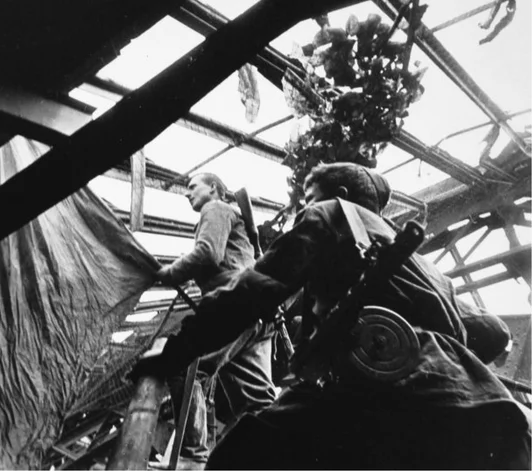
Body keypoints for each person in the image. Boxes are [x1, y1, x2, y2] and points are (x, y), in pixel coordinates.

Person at [134, 162, 531, 469]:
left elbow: (254, 290)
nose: (304, 209)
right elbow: (494, 333)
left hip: (381, 396)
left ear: (338, 194)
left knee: (241, 453)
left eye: (308, 198)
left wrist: (178, 351)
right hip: (485, 413)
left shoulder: (332, 213)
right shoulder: (419, 262)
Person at [154, 172, 276, 469]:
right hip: (259, 312)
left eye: (193, 187)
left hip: (234, 305)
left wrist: (169, 273)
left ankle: (192, 455)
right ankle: (281, 455)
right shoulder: (235, 220)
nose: (187, 193)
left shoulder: (216, 208)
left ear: (214, 189)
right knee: (258, 401)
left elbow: (208, 252)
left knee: (184, 367)